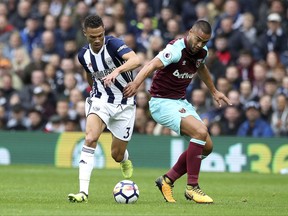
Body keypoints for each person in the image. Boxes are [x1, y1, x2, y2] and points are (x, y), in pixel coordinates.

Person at [123, 20, 232, 204]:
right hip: (161, 102)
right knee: (200, 131)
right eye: (197, 39)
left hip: (179, 101)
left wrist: (214, 91)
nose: (200, 45)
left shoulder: (201, 53)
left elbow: (201, 67)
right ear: (190, 32)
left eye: (204, 42)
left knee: (207, 146)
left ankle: (167, 180)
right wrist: (136, 83)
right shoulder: (175, 49)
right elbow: (151, 65)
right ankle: (192, 188)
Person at [68, 15, 141, 203]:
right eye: (93, 37)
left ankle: (124, 159)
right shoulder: (83, 54)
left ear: (104, 31)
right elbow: (89, 74)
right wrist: (95, 90)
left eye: (100, 35)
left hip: (125, 104)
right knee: (91, 137)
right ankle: (82, 192)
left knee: (116, 155)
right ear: (85, 34)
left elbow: (136, 60)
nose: (98, 39)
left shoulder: (113, 44)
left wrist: (116, 71)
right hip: (100, 100)